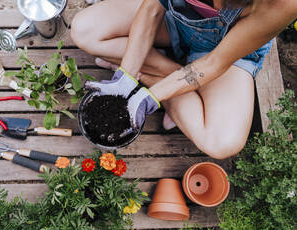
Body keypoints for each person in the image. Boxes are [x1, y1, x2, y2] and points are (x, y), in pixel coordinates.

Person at [70, 0, 297, 159]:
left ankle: (153, 78)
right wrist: (126, 75)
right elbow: (152, 9)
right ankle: (168, 84)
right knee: (85, 30)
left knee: (222, 143)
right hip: (176, 22)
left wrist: (151, 97)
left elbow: (215, 63)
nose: (217, 6)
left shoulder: (284, 3)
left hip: (227, 49)